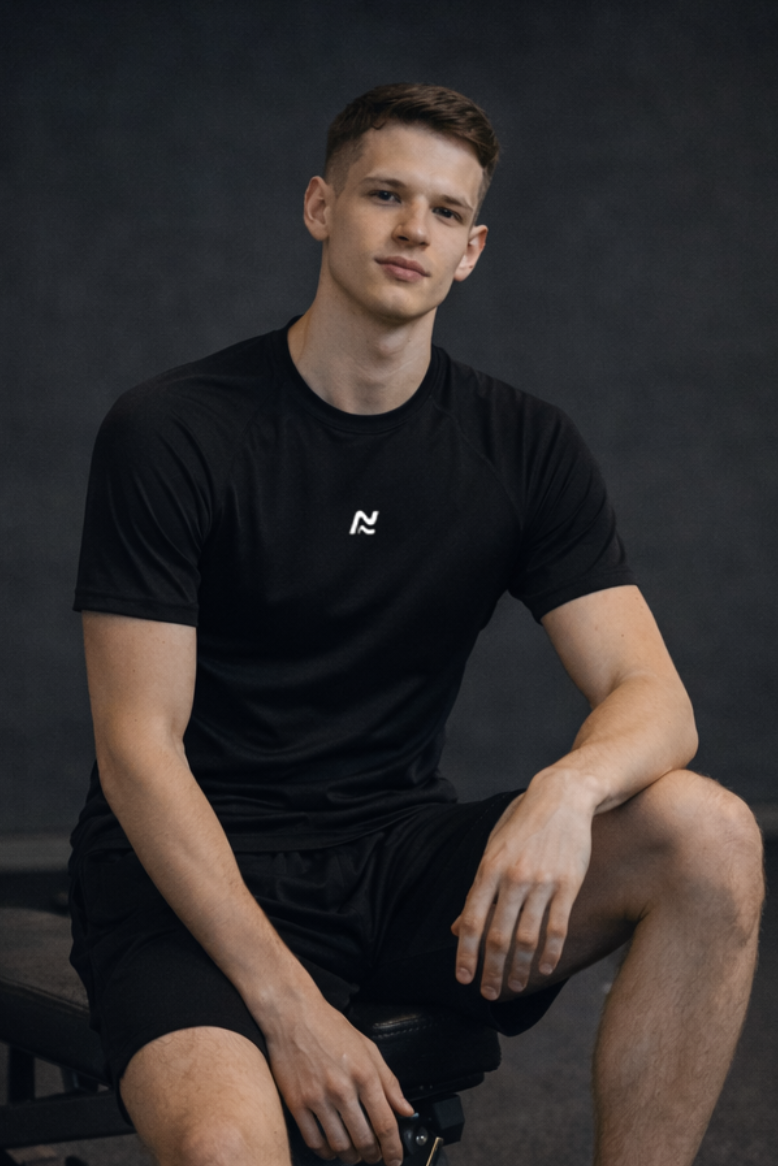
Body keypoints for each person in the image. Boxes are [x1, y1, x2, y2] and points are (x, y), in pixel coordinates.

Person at [69, 82, 763, 1166]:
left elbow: (653, 695)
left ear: (471, 249)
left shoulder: (522, 446)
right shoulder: (174, 430)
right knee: (224, 1151)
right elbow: (138, 751)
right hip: (189, 876)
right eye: (384, 194)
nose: (412, 229)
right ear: (319, 207)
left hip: (393, 863)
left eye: (444, 211)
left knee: (710, 835)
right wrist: (293, 1011)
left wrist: (563, 791)